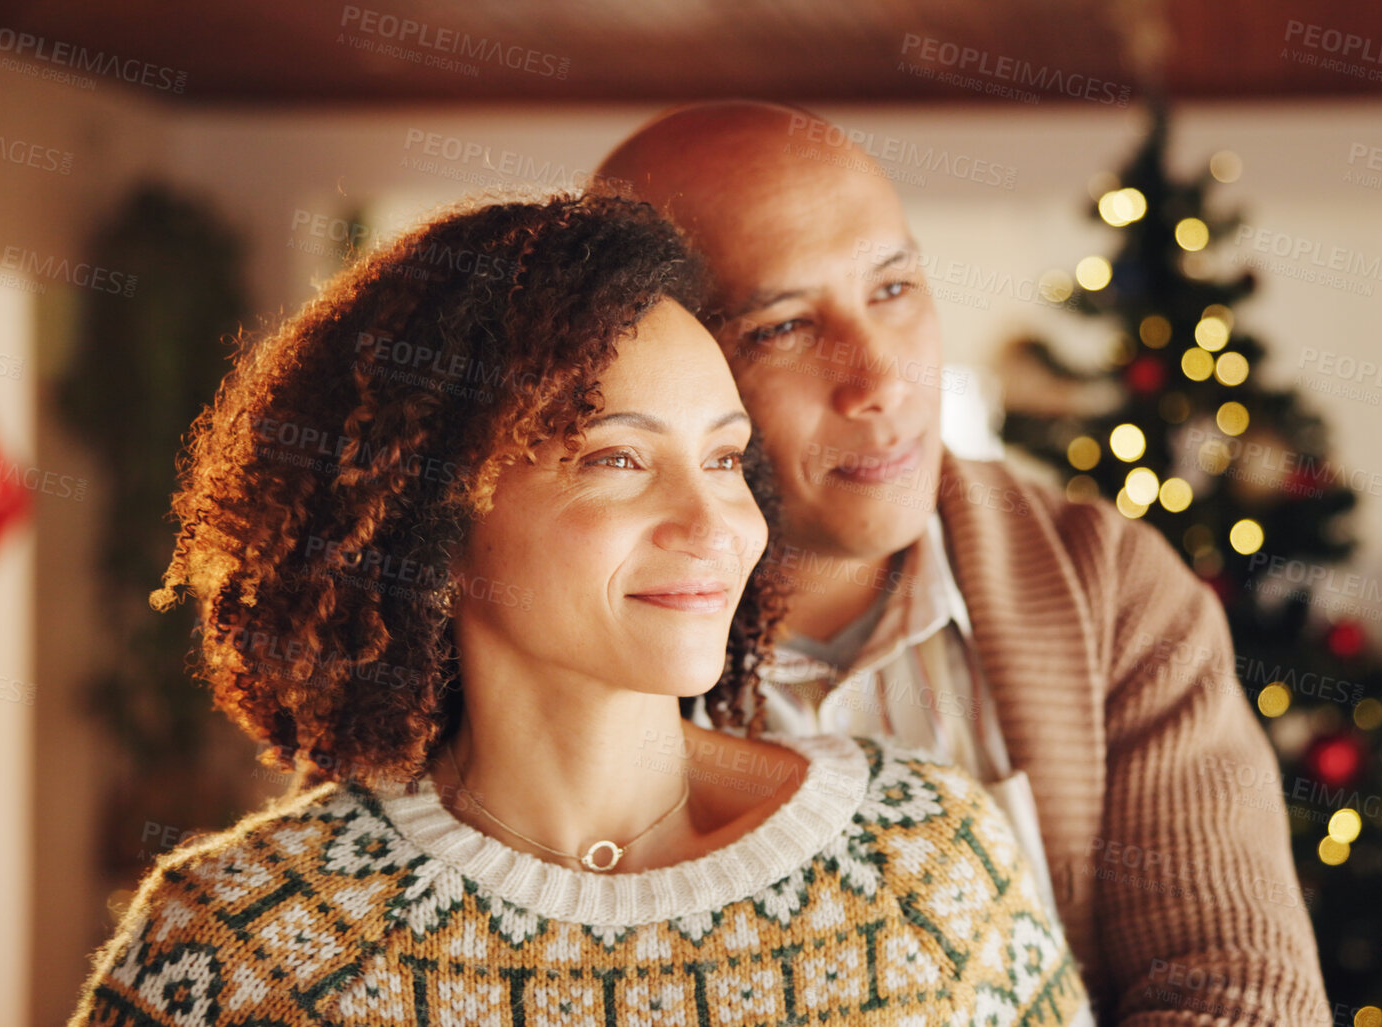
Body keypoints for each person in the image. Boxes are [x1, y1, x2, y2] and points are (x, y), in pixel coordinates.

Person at [66, 191, 1092, 1026]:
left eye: (725, 458)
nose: (716, 523)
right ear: (429, 520)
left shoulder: (929, 863)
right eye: (617, 460)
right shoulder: (239, 944)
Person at [598, 103, 1332, 1025]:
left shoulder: (1111, 593)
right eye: (782, 326)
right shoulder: (570, 627)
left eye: (894, 287)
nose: (880, 380)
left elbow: (1240, 993)